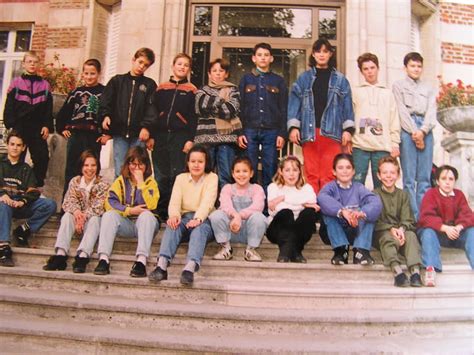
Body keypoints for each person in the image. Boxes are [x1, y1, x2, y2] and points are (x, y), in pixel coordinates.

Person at [288, 38, 354, 194]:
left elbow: (347, 106)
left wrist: (348, 130)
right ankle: (313, 212)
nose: (322, 55)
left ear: (331, 54)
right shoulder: (304, 78)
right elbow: (294, 103)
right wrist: (293, 127)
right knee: (311, 174)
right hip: (309, 132)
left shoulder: (341, 79)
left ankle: (326, 212)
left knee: (329, 174)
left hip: (332, 133)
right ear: (313, 54)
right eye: (318, 51)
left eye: (325, 51)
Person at [149, 144, 218, 286]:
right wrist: (173, 216)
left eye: (200, 161)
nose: (196, 165)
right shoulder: (181, 178)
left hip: (205, 220)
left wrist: (198, 219)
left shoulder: (212, 178)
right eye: (193, 161)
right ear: (187, 162)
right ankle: (161, 266)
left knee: (199, 229)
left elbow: (208, 202)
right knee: (172, 225)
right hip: (185, 218)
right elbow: (174, 201)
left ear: (206, 163)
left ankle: (189, 268)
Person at [93, 146, 160, 277]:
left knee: (146, 215)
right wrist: (129, 210)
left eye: (140, 164)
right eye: (133, 164)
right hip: (128, 223)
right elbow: (110, 203)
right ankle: (103, 259)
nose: (136, 168)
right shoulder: (120, 181)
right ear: (128, 164)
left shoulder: (151, 182)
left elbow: (151, 205)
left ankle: (141, 261)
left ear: (146, 165)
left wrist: (141, 183)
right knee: (109, 215)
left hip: (147, 225)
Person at [146, 53, 197, 221]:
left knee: (177, 174)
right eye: (179, 64)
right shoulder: (162, 88)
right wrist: (151, 135)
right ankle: (160, 211)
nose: (182, 67)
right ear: (173, 66)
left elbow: (193, 117)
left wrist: (190, 139)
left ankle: (175, 211)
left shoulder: (192, 90)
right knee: (161, 174)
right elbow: (152, 112)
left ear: (189, 69)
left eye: (186, 65)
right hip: (160, 136)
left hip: (180, 136)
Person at [43, 150, 109, 272]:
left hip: (91, 219)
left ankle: (83, 256)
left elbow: (99, 206)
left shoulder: (103, 184)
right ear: (81, 167)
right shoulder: (75, 181)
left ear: (98, 167)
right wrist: (77, 212)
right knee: (67, 216)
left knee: (95, 220)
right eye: (86, 165)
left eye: (93, 165)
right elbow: (68, 201)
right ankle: (61, 254)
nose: (90, 169)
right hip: (77, 218)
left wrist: (83, 217)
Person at [0, 131, 56, 266]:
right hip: (3, 204)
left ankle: (24, 230)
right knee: (4, 204)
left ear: (23, 148)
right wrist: (2, 195)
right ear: (7, 145)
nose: (15, 148)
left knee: (50, 204)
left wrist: (22, 201)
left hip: (19, 204)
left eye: (18, 145)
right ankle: (4, 248)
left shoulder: (26, 168)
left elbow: (33, 191)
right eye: (12, 144)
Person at [100, 47, 157, 177]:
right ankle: (119, 197)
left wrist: (147, 127)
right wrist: (106, 116)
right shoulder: (117, 81)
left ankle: (137, 197)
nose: (141, 66)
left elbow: (152, 108)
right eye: (140, 62)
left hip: (139, 136)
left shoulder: (149, 85)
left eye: (146, 65)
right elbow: (106, 101)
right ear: (133, 60)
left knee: (138, 170)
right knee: (120, 169)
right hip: (120, 134)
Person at [238, 43, 288, 193]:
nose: (263, 58)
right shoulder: (246, 79)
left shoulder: (278, 81)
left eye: (266, 55)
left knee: (270, 167)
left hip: (271, 130)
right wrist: (239, 132)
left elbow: (284, 108)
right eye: (259, 55)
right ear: (254, 58)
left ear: (271, 58)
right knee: (249, 167)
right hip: (249, 129)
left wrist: (282, 133)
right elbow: (239, 107)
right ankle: (250, 204)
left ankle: (268, 208)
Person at [392, 52, 436, 220]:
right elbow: (401, 111)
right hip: (407, 130)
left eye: (419, 66)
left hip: (426, 130)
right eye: (412, 66)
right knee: (409, 178)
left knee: (424, 177)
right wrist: (414, 132)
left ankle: (423, 218)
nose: (416, 69)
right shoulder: (399, 86)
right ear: (405, 67)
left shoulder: (429, 87)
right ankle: (412, 217)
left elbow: (432, 111)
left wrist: (423, 131)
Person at [56, 59, 108, 196]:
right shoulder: (76, 92)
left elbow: (109, 114)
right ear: (82, 74)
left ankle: (90, 203)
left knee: (92, 169)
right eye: (86, 73)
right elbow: (63, 113)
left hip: (93, 137)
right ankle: (67, 206)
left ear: (99, 74)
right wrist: (62, 128)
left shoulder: (104, 93)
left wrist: (107, 134)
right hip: (76, 136)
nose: (89, 76)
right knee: (72, 169)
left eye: (93, 73)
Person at [318, 153, 382, 265]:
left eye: (348, 167)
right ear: (334, 171)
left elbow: (375, 201)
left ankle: (361, 251)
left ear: (353, 171)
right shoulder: (330, 187)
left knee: (369, 215)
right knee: (328, 213)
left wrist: (361, 213)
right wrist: (342, 211)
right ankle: (341, 250)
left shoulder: (359, 188)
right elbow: (322, 198)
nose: (345, 171)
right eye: (340, 167)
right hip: (334, 232)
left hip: (354, 231)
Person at [3, 51, 53, 187]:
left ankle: (33, 186)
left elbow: (48, 108)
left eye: (35, 62)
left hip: (37, 127)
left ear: (38, 65)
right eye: (29, 61)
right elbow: (9, 106)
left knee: (42, 157)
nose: (32, 64)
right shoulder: (16, 84)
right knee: (16, 156)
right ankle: (13, 184)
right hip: (20, 126)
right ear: (24, 64)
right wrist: (10, 125)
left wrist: (47, 125)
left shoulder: (45, 85)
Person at [418, 165, 474, 287]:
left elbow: (468, 215)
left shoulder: (459, 195)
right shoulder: (431, 194)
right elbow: (425, 217)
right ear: (438, 181)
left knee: (471, 231)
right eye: (444, 179)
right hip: (438, 234)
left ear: (455, 181)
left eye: (451, 179)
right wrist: (444, 228)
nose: (447, 182)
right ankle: (430, 269)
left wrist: (459, 226)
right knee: (427, 232)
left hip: (455, 233)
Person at [351, 53, 400, 189]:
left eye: (372, 67)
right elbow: (350, 116)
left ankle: (382, 210)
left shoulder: (387, 93)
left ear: (378, 68)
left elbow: (393, 118)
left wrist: (395, 143)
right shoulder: (355, 92)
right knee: (357, 182)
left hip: (382, 146)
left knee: (382, 184)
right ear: (361, 71)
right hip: (360, 145)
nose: (370, 71)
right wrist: (349, 138)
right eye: (366, 69)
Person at [373, 156, 422, 287]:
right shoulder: (374, 194)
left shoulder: (403, 195)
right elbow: (375, 220)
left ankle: (415, 272)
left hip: (401, 232)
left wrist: (401, 229)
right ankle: (398, 272)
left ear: (398, 175)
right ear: (378, 175)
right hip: (383, 233)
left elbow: (408, 218)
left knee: (411, 236)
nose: (388, 176)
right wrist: (391, 229)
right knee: (388, 239)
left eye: (392, 172)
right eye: (384, 173)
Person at [195, 58, 241, 189]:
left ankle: (224, 206)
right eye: (214, 71)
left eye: (221, 71)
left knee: (225, 176)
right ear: (209, 74)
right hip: (205, 138)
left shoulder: (233, 89)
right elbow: (200, 107)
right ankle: (206, 206)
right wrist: (222, 100)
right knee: (205, 175)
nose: (218, 73)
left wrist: (212, 106)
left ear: (226, 74)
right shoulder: (201, 90)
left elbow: (232, 110)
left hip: (227, 140)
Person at [209, 157, 266, 261]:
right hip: (230, 230)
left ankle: (251, 250)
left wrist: (239, 216)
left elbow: (258, 207)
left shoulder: (257, 189)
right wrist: (235, 216)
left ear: (251, 173)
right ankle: (226, 248)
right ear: (233, 173)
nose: (241, 174)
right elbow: (225, 206)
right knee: (216, 214)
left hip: (249, 231)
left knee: (260, 217)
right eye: (238, 171)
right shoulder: (227, 188)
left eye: (245, 171)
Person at [266, 156, 319, 263]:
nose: (291, 174)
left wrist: (282, 198)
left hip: (300, 229)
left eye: (295, 170)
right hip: (277, 230)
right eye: (287, 170)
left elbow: (313, 202)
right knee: (286, 213)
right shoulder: (273, 187)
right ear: (281, 171)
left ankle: (289, 253)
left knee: (309, 213)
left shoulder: (306, 188)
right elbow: (275, 209)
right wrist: (302, 203)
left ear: (300, 171)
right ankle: (292, 252)